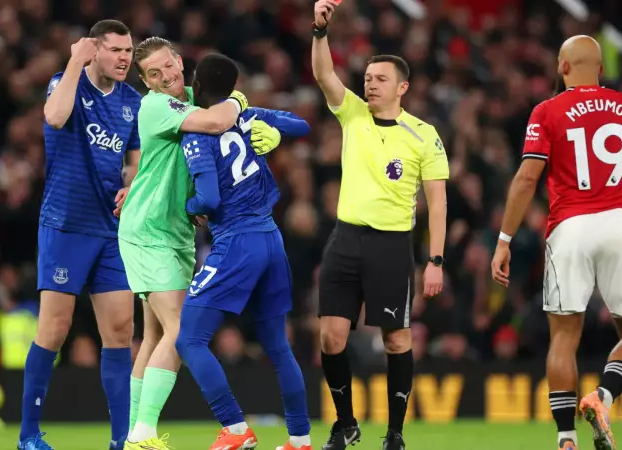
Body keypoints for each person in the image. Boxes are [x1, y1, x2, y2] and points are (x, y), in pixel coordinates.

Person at [490, 35, 622, 450]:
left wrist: (505, 239)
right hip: (621, 225)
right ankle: (603, 397)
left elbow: (526, 178)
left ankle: (567, 440)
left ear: (563, 67)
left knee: (564, 338)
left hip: (568, 229)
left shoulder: (548, 110)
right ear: (601, 70)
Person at [119, 38, 283, 450]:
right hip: (150, 232)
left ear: (178, 60)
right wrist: (240, 100)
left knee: (155, 334)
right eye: (154, 74)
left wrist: (269, 136)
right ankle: (144, 435)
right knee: (180, 331)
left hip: (174, 232)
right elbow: (215, 124)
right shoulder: (156, 105)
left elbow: (226, 133)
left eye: (168, 67)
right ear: (145, 81)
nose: (166, 77)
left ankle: (131, 435)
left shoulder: (196, 98)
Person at [310, 1, 449, 449]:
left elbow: (438, 200)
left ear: (402, 87)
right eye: (368, 78)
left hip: (391, 244)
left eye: (380, 79)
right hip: (345, 238)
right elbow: (324, 75)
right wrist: (319, 32)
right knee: (330, 336)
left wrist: (435, 260)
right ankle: (346, 423)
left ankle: (394, 433)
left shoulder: (423, 134)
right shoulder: (351, 113)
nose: (370, 84)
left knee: (396, 339)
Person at [172, 53, 312, 450]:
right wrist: (279, 135)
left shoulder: (198, 132)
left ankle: (235, 429)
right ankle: (300, 441)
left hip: (236, 241)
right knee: (277, 345)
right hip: (271, 237)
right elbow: (302, 123)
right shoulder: (247, 115)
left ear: (197, 86)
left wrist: (188, 207)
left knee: (190, 341)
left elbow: (210, 198)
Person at [19, 20, 140, 450]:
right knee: (54, 328)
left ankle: (120, 441)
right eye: (116, 50)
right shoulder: (65, 82)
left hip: (110, 228)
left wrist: (134, 180)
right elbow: (53, 117)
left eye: (129, 51)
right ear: (94, 51)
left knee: (121, 329)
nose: (125, 58)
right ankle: (29, 435)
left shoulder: (132, 102)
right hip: (66, 223)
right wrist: (73, 61)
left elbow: (137, 155)